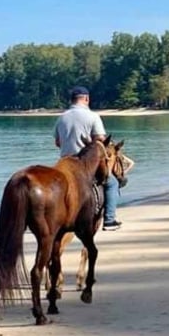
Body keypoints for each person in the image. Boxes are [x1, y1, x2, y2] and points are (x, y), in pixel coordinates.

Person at [54, 86, 120, 230]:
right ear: (86, 99)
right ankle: (109, 219)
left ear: (72, 100)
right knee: (112, 183)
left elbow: (58, 142)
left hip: (64, 161)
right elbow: (100, 141)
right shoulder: (92, 116)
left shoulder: (62, 117)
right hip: (84, 163)